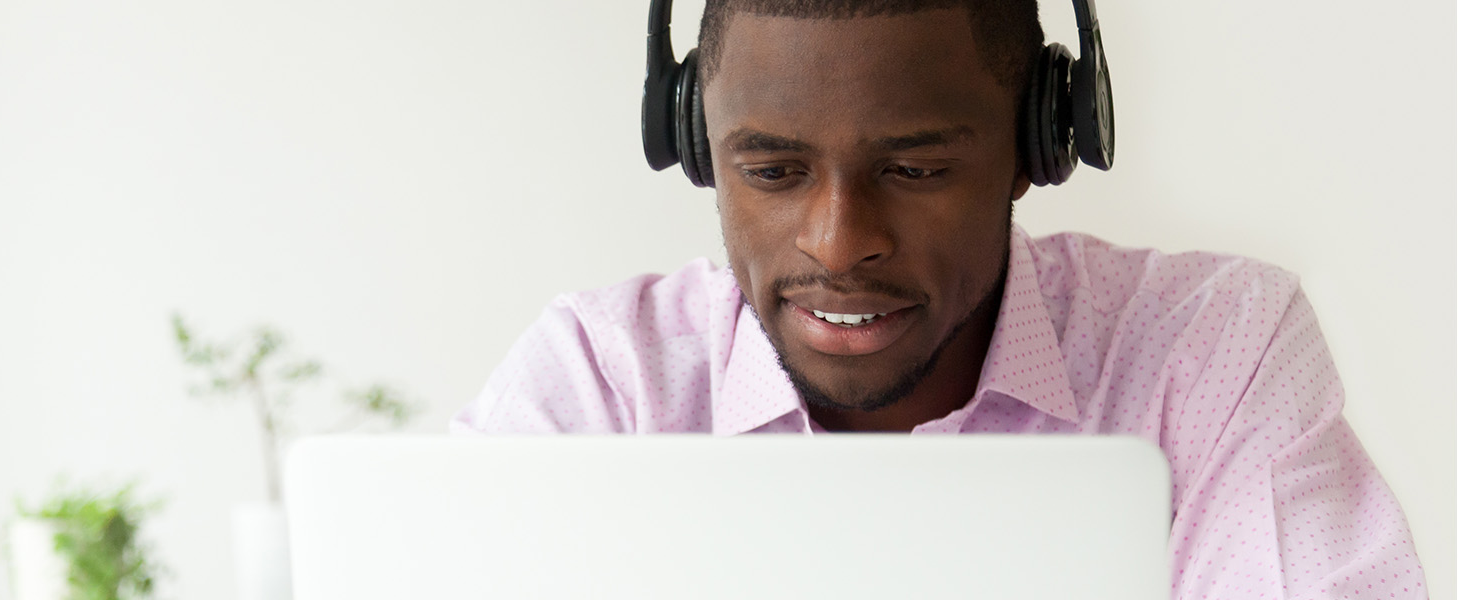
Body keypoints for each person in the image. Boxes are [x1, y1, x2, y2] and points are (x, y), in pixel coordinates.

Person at [451, 1, 1428, 598]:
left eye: (914, 168)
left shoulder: (1211, 349)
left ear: (1039, 148)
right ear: (699, 151)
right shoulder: (598, 385)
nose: (838, 243)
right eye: (774, 170)